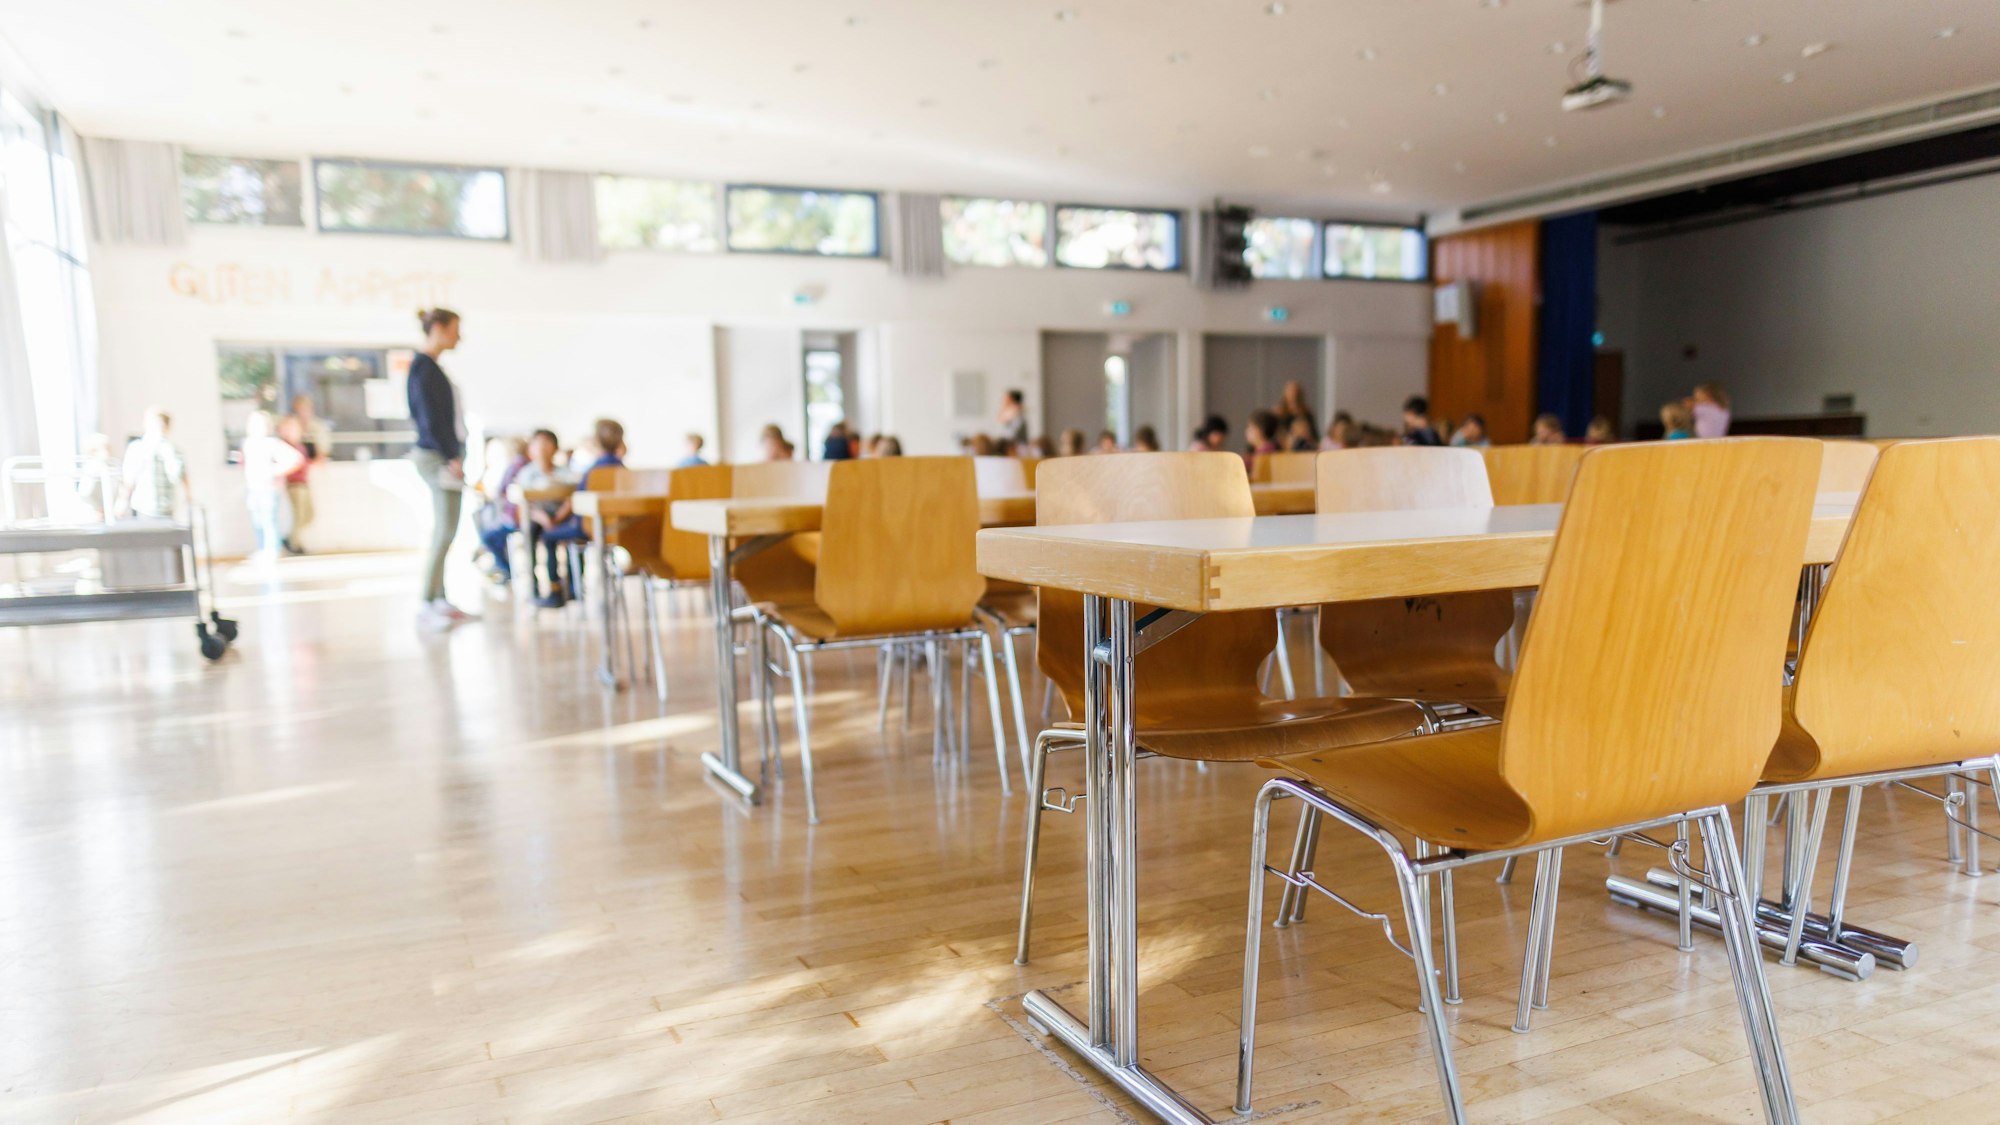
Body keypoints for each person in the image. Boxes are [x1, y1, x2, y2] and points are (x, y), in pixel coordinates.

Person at [407, 307, 475, 628]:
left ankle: (439, 598)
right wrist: (452, 457)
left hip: (446, 455)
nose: (459, 336)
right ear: (438, 328)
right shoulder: (424, 369)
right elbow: (431, 420)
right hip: (439, 457)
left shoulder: (432, 368)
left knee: (447, 531)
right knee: (444, 531)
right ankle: (427, 601)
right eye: (455, 329)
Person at [537, 418, 626, 608]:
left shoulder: (593, 471)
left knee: (550, 536)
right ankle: (574, 587)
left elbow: (576, 502)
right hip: (618, 529)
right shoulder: (623, 470)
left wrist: (556, 519)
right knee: (577, 534)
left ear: (595, 441)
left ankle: (556, 590)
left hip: (589, 528)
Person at [241, 410, 303, 562]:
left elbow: (296, 459)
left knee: (269, 520)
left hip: (268, 489)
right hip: (254, 488)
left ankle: (272, 550)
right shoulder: (248, 443)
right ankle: (262, 549)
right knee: (258, 520)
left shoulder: (272, 443)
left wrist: (276, 472)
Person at [116, 406, 189, 520]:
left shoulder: (172, 450)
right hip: (143, 507)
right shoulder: (137, 448)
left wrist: (188, 498)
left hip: (167, 508)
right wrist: (122, 501)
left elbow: (180, 475)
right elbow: (129, 478)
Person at [276, 414, 313, 554]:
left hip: (304, 483)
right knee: (298, 516)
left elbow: (304, 462)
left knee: (308, 515)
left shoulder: (300, 445)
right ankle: (294, 544)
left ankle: (289, 538)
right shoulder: (284, 446)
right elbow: (290, 464)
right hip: (294, 485)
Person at [291, 394, 333, 464]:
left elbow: (324, 451)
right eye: (300, 409)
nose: (303, 412)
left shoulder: (319, 426)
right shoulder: (290, 424)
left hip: (314, 465)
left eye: (306, 409)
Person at [1274, 380, 1318, 445]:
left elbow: (1314, 435)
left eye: (1295, 391)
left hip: (1304, 444)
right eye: (1290, 391)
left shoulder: (1306, 413)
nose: (1292, 394)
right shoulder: (1279, 413)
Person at [1245, 409, 1281, 475]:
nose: (1247, 431)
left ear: (1260, 430)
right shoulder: (1261, 449)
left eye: (1250, 427)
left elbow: (1257, 476)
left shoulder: (1265, 451)